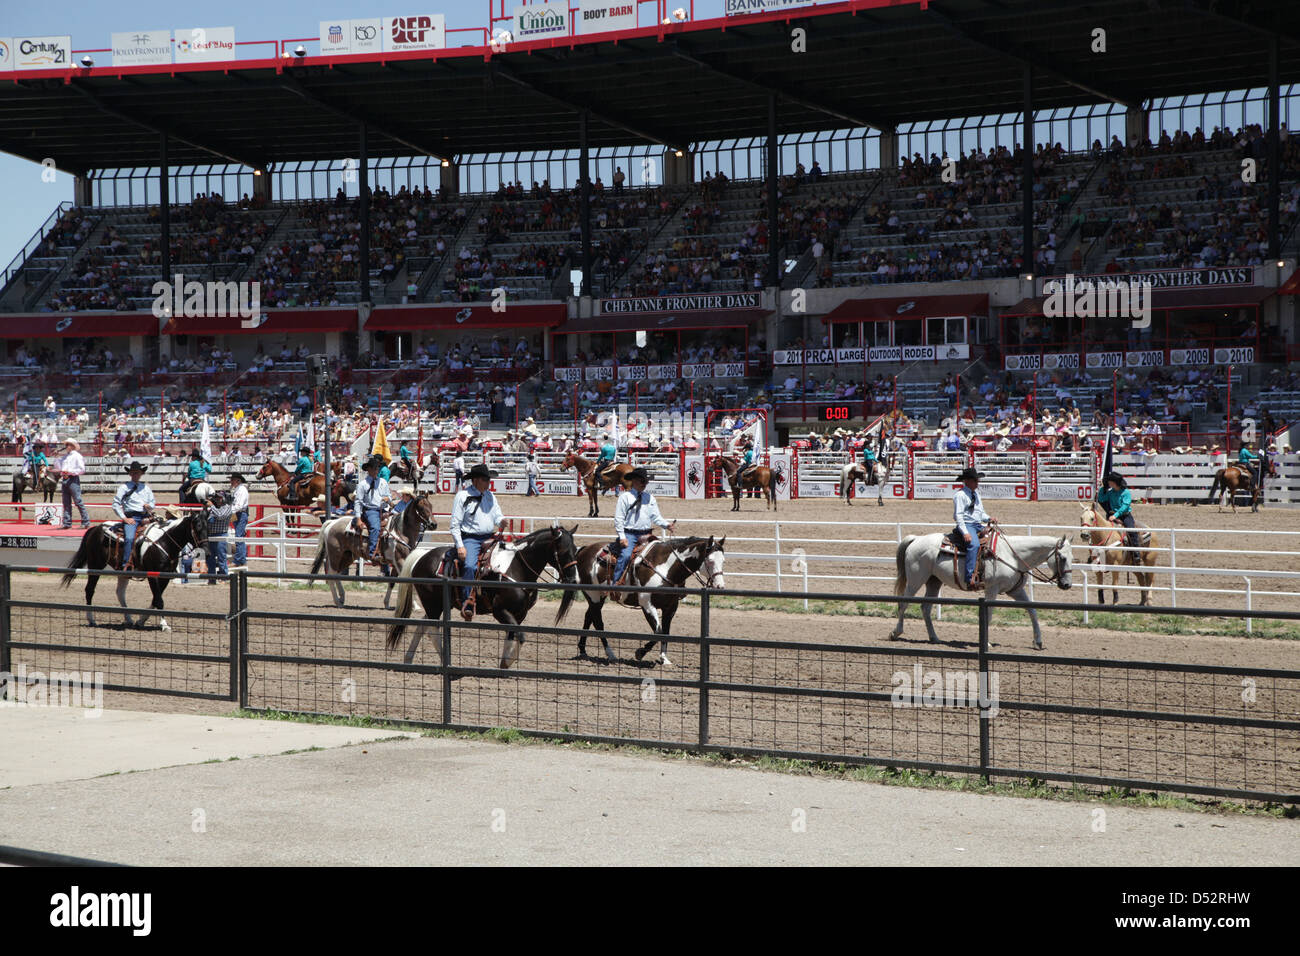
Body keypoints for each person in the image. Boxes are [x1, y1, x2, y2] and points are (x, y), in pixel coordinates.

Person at [450, 463, 507, 620]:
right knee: (469, 565)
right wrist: (460, 545)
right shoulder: (462, 496)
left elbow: (496, 514)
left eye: (489, 479)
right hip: (471, 538)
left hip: (490, 537)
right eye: (485, 479)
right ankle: (467, 601)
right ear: (475, 480)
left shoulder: (490, 495)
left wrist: (502, 520)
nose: (488, 483)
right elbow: (454, 525)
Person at [611, 467, 676, 591]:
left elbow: (656, 517)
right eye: (642, 481)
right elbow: (619, 519)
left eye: (645, 481)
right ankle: (616, 584)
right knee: (625, 556)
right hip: (629, 534)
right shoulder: (625, 497)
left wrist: (666, 525)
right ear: (634, 481)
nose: (644, 484)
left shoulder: (650, 498)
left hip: (647, 534)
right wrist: (622, 536)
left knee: (661, 555)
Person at [112, 461, 156, 571]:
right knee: (130, 538)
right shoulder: (124, 487)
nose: (136, 475)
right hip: (132, 518)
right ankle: (126, 563)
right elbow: (116, 504)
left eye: (138, 473)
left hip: (146, 517)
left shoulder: (146, 488)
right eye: (134, 473)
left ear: (141, 474)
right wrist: (125, 518)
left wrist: (149, 506)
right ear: (130, 474)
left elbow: (153, 503)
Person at [953, 467, 992, 591]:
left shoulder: (976, 494)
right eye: (975, 480)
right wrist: (965, 532)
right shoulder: (960, 495)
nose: (977, 483)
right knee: (974, 545)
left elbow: (981, 513)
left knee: (993, 542)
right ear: (967, 481)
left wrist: (989, 519)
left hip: (977, 524)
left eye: (977, 480)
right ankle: (970, 577)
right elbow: (958, 516)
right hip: (967, 525)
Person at [354, 456, 392, 563]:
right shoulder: (362, 485)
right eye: (374, 468)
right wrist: (358, 518)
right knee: (375, 528)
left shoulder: (383, 482)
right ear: (369, 469)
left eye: (378, 468)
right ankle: (372, 553)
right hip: (370, 510)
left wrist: (388, 499)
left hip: (384, 509)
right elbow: (358, 501)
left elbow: (389, 496)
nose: (376, 470)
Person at [1095, 471, 1139, 557]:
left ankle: (1136, 552)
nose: (1108, 482)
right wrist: (1101, 488)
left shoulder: (1126, 492)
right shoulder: (1110, 492)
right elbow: (1101, 499)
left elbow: (1125, 506)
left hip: (1124, 516)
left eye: (1110, 481)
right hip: (1112, 515)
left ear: (1115, 482)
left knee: (1131, 530)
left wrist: (1115, 515)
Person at [57, 438, 90, 529]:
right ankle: (67, 522)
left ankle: (85, 521)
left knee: (78, 501)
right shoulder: (66, 456)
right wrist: (57, 458)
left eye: (68, 445)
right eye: (66, 445)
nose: (66, 446)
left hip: (72, 478)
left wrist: (70, 472)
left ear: (72, 446)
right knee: (66, 502)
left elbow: (82, 469)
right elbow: (59, 466)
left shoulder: (77, 456)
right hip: (65, 478)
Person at [205, 491, 232, 584]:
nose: (218, 499)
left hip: (221, 535)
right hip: (211, 535)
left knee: (221, 557)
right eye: (217, 498)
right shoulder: (212, 508)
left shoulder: (227, 508)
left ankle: (223, 577)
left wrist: (211, 506)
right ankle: (212, 578)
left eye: (219, 498)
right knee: (210, 558)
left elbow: (220, 516)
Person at [228, 473, 250, 568]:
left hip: (240, 513)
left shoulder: (241, 490)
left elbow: (239, 505)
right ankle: (242, 559)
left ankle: (238, 560)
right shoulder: (238, 490)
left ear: (238, 481)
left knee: (238, 536)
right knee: (239, 536)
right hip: (238, 513)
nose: (231, 481)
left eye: (232, 480)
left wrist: (229, 511)